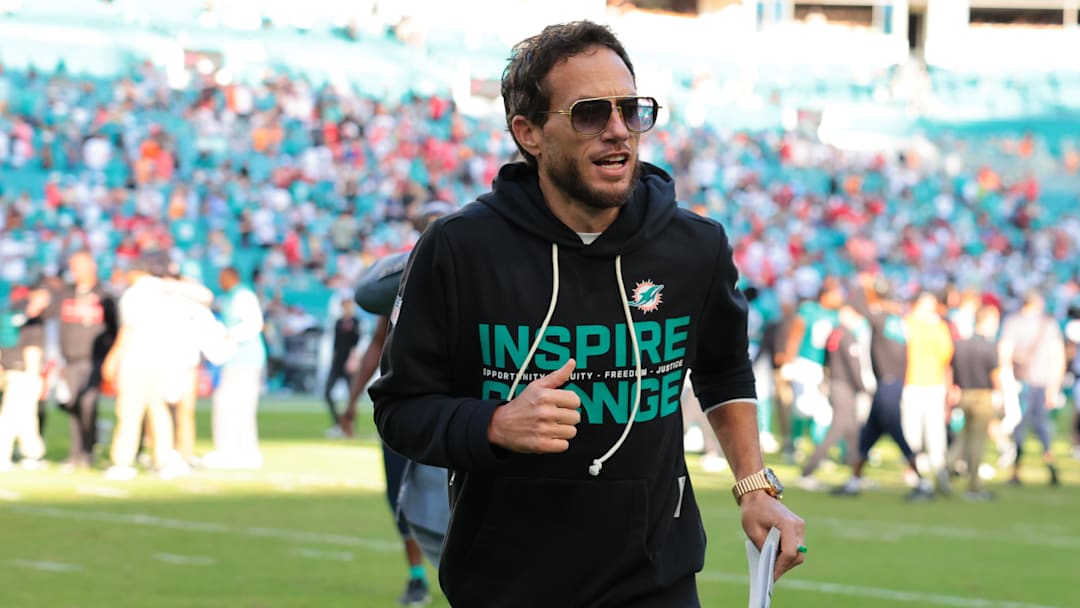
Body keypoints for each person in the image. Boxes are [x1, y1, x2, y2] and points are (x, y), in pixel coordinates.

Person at [370, 21, 804, 607]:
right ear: (528, 133)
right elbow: (400, 409)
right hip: (504, 584)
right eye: (590, 113)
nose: (618, 130)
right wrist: (494, 424)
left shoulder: (695, 247)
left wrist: (754, 486)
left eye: (631, 110)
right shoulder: (458, 248)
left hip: (656, 580)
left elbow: (724, 371)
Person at [833, 275, 925, 498]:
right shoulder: (897, 321)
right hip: (891, 384)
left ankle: (923, 483)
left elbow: (857, 306)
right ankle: (854, 481)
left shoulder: (882, 318)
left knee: (897, 435)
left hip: (888, 386)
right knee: (867, 436)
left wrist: (863, 286)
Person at [101, 253, 190, 480]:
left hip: (136, 361)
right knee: (160, 414)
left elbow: (128, 330)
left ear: (134, 272)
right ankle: (163, 460)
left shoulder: (134, 294)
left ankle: (123, 461)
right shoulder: (168, 293)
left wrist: (113, 358)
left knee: (129, 414)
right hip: (163, 361)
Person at [43, 251, 116, 470]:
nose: (75, 271)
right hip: (70, 359)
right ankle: (77, 452)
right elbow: (48, 314)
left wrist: (109, 357)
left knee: (87, 403)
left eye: (79, 266)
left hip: (93, 359)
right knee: (72, 404)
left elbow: (114, 328)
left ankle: (87, 450)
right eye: (73, 267)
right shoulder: (66, 293)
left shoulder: (104, 295)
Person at [796, 306, 869, 489]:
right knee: (837, 429)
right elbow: (853, 364)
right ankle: (808, 470)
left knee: (853, 432)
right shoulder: (847, 336)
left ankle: (856, 474)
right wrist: (862, 387)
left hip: (836, 384)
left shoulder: (835, 334)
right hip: (844, 387)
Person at [202, 267, 266, 470]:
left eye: (222, 277)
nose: (220, 282)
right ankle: (235, 451)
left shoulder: (242, 295)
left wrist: (227, 336)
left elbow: (253, 324)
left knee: (236, 405)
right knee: (230, 404)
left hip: (244, 359)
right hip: (235, 359)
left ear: (231, 276)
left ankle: (237, 452)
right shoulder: (232, 296)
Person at [999, 290, 1065, 486]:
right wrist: (1054, 386)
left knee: (1020, 426)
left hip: (1021, 382)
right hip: (1041, 383)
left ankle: (1016, 471)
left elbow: (1004, 353)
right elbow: (1058, 357)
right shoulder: (1049, 324)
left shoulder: (1014, 322)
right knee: (1041, 425)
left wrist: (1005, 382)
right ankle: (1049, 462)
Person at [900, 290, 955, 499]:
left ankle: (938, 470)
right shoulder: (908, 324)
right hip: (912, 383)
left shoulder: (938, 326)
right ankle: (915, 470)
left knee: (934, 432)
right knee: (912, 432)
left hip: (933, 384)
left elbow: (946, 356)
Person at [948, 304, 1001, 500]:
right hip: (982, 396)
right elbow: (995, 374)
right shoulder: (989, 346)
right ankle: (974, 485)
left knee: (963, 438)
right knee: (977, 442)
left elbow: (952, 370)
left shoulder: (961, 345)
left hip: (963, 394)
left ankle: (946, 468)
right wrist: (1000, 394)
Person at [0, 284, 49, 470]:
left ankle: (32, 453)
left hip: (9, 368)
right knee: (11, 415)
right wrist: (35, 375)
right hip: (24, 369)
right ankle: (3, 454)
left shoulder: (7, 315)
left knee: (26, 415)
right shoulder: (31, 320)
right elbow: (32, 348)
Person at [323, 298, 360, 437]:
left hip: (349, 362)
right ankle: (338, 423)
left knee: (352, 396)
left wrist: (353, 359)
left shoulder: (356, 322)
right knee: (327, 392)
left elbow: (357, 342)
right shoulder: (338, 322)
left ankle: (350, 426)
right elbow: (336, 343)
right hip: (337, 363)